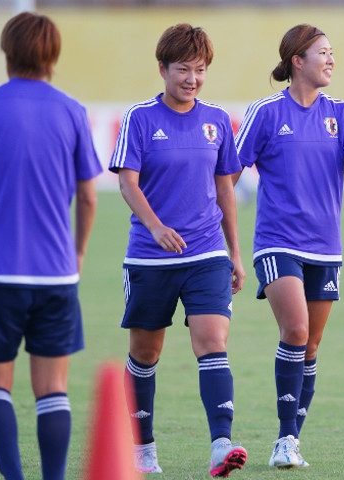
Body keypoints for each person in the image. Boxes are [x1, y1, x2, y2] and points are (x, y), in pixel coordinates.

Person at [0, 12, 102, 480]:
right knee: (53, 390)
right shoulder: (73, 111)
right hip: (55, 276)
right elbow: (89, 195)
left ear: (7, 50)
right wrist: (75, 253)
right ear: (53, 55)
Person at [234, 23, 344, 468]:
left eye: (333, 52)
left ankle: (292, 441)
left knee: (312, 346)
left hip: (326, 246)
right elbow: (230, 169)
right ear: (297, 61)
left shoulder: (341, 112)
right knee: (296, 331)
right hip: (277, 241)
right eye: (323, 52)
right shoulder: (266, 112)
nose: (331, 59)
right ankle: (283, 439)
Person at [108, 23, 247, 478]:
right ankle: (143, 449)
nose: (192, 78)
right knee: (146, 354)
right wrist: (156, 226)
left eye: (200, 70)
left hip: (206, 253)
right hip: (150, 256)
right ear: (163, 69)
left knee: (213, 341)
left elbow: (226, 190)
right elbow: (127, 181)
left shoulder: (216, 121)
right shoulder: (140, 119)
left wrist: (235, 254)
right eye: (183, 69)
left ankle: (221, 445)